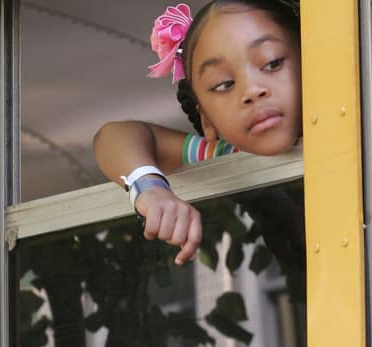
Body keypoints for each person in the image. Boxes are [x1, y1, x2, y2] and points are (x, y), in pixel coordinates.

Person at [93, 1, 302, 265]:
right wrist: (150, 187)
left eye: (272, 63)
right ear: (206, 119)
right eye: (224, 84)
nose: (252, 90)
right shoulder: (228, 155)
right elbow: (112, 136)